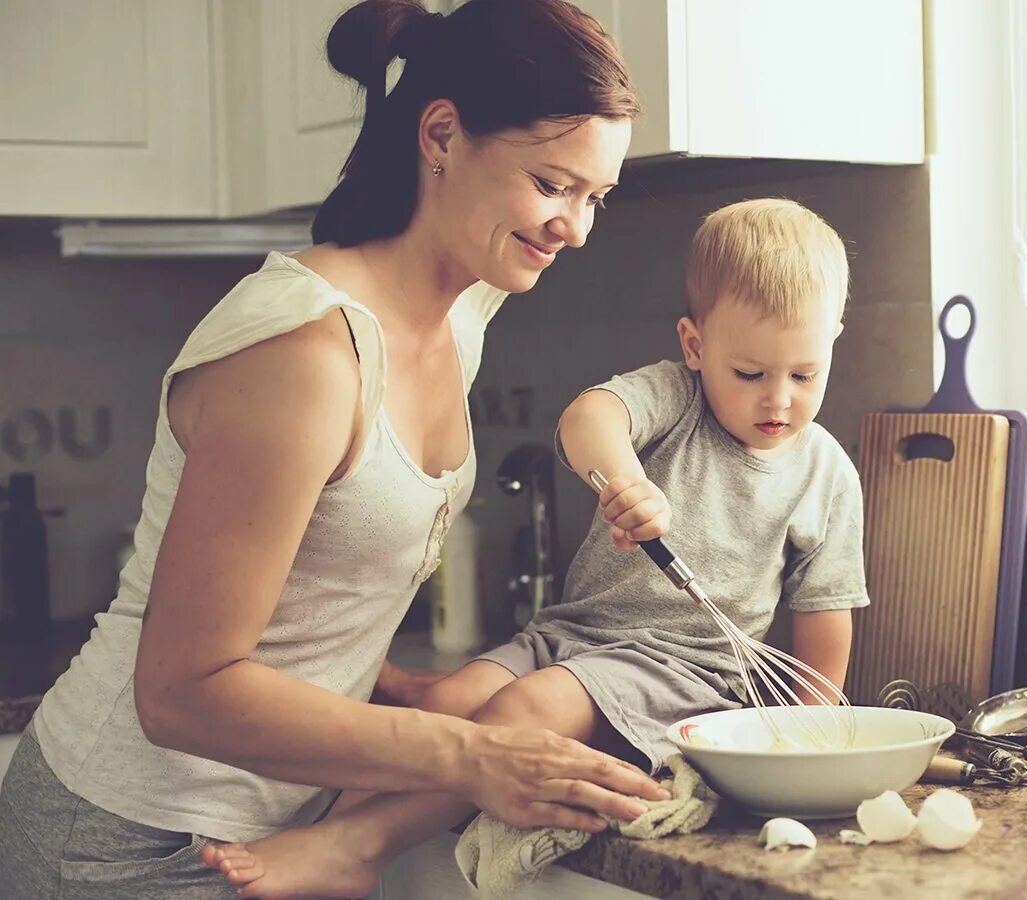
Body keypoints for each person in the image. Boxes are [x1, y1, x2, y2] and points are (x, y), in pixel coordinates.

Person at [0, 0, 669, 896]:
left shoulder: (466, 303)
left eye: (597, 197)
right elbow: (180, 690)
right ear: (441, 134)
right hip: (127, 836)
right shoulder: (304, 353)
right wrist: (466, 754)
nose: (577, 228)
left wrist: (397, 686)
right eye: (553, 185)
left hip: (274, 823)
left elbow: (309, 598)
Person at [204, 197, 870, 898]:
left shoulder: (825, 476)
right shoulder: (676, 399)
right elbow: (591, 417)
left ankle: (358, 846)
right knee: (452, 702)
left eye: (804, 374)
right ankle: (323, 834)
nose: (780, 400)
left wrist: (801, 756)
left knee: (521, 717)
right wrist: (625, 477)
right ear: (696, 346)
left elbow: (823, 648)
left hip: (682, 676)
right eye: (750, 374)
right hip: (572, 635)